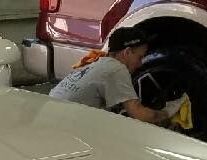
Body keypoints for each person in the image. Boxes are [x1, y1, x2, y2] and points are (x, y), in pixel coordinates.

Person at [48, 27, 186, 123]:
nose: (140, 64)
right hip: (62, 126)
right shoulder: (117, 69)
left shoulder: (98, 63)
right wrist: (168, 112)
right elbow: (140, 115)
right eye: (139, 57)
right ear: (127, 52)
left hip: (50, 114)